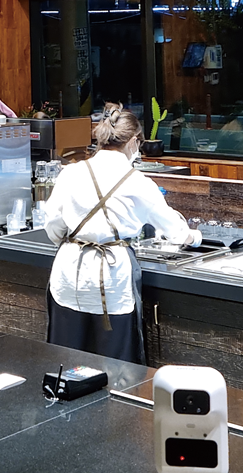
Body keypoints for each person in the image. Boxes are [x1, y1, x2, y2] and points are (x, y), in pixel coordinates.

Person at [44, 103, 202, 364]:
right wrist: (195, 238)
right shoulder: (139, 182)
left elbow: (53, 224)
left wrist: (74, 241)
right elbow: (176, 232)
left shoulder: (71, 172)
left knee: (66, 361)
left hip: (69, 273)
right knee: (116, 368)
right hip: (113, 279)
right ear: (133, 142)